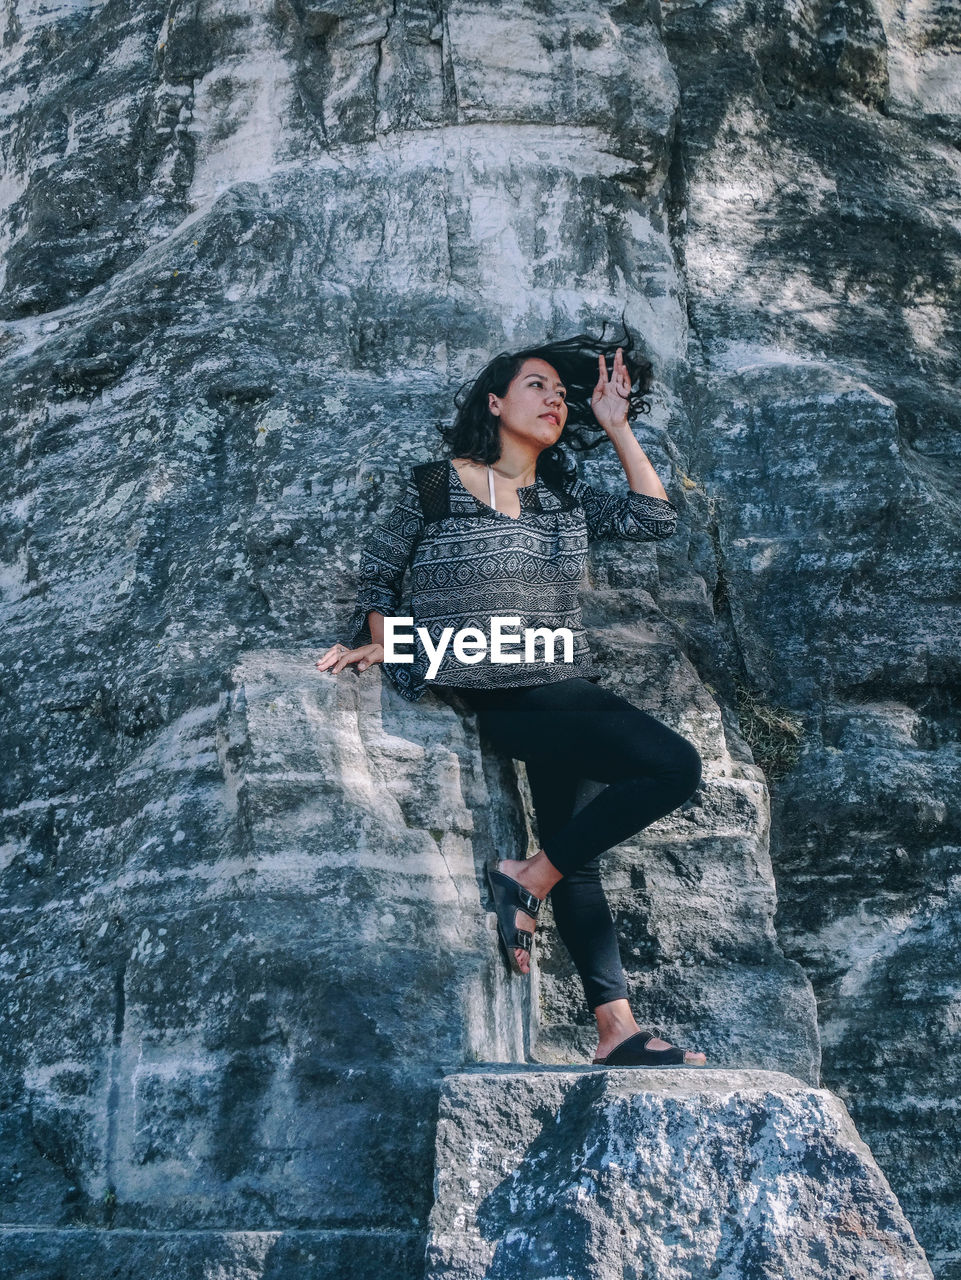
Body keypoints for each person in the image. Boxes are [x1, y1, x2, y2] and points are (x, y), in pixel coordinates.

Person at [316, 331, 707, 1068]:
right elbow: (379, 579)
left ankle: (613, 1027)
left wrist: (617, 424)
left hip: (562, 680)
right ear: (494, 403)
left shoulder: (562, 500)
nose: (554, 400)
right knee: (673, 768)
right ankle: (525, 876)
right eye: (537, 387)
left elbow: (653, 519)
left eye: (562, 395)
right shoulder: (435, 484)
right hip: (500, 687)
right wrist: (392, 643)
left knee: (576, 858)